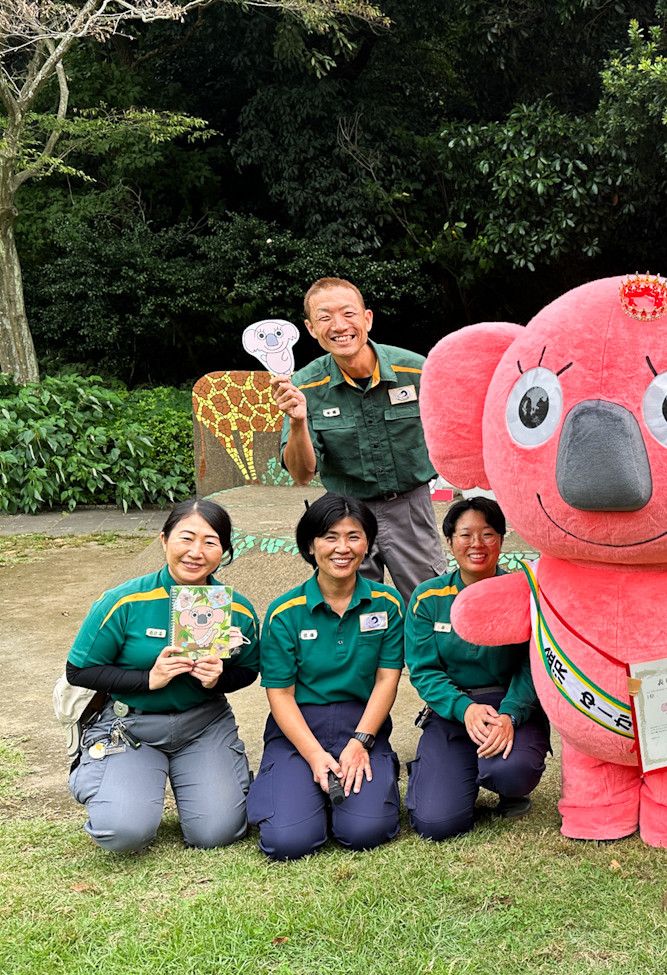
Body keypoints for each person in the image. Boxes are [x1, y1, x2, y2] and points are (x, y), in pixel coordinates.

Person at [65, 499, 261, 851]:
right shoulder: (123, 601)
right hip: (131, 725)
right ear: (164, 540)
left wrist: (218, 679)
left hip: (204, 723)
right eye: (186, 538)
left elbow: (248, 671)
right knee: (122, 834)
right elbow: (78, 670)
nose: (196, 552)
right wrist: (148, 679)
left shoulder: (237, 609)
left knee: (216, 833)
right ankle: (112, 783)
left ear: (224, 552)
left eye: (211, 542)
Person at [271, 277, 447, 603]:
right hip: (345, 514)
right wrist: (297, 422)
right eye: (325, 317)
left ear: (367, 318)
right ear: (311, 328)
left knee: (430, 601)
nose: (339, 326)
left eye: (348, 313)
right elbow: (301, 473)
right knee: (351, 608)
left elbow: (456, 433)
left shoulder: (419, 371)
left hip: (410, 507)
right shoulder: (305, 387)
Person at [247, 494, 403, 860]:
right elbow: (281, 695)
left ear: (368, 543)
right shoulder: (284, 613)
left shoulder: (388, 604)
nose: (342, 548)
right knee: (288, 842)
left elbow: (387, 681)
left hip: (361, 723)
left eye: (354, 536)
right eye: (330, 537)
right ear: (310, 544)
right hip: (300, 727)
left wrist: (361, 742)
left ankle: (366, 783)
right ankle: (296, 786)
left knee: (366, 831)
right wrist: (315, 756)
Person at [404, 497, 549, 840]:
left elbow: (534, 663)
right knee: (436, 824)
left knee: (511, 770)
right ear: (450, 541)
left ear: (501, 539)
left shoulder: (524, 592)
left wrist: (510, 715)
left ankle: (509, 788)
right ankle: (446, 776)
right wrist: (463, 708)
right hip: (453, 708)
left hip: (509, 705)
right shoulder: (428, 598)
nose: (477, 544)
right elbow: (424, 671)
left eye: (487, 534)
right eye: (465, 534)